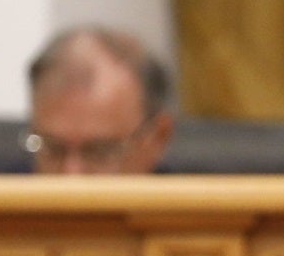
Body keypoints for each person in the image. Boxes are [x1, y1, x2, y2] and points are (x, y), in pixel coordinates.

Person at [25, 26, 175, 175]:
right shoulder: (3, 191)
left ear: (158, 138)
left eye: (99, 151)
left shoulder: (196, 196)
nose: (72, 177)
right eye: (53, 149)